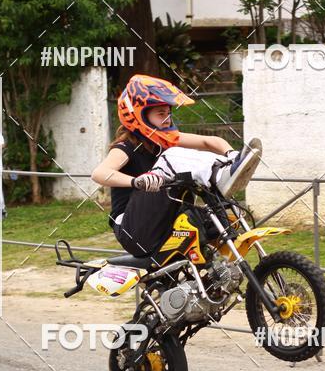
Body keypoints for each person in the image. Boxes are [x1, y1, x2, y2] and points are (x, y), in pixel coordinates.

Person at [91, 74, 262, 257]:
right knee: (172, 155)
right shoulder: (126, 147)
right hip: (133, 229)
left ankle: (226, 274)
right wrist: (136, 181)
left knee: (222, 224)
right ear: (139, 115)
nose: (167, 119)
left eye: (168, 113)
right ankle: (220, 176)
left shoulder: (163, 139)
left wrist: (233, 157)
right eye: (160, 114)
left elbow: (210, 141)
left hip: (162, 220)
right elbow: (99, 174)